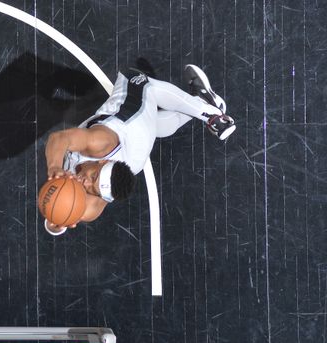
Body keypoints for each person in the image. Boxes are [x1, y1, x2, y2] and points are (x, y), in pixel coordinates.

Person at [42, 64, 236, 235]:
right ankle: (209, 113)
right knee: (138, 81)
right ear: (103, 161)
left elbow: (61, 215)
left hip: (139, 149)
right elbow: (58, 139)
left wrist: (58, 222)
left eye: (91, 187)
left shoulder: (94, 203)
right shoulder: (99, 145)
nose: (85, 183)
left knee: (156, 126)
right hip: (134, 130)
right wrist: (53, 167)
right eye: (93, 177)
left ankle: (212, 110)